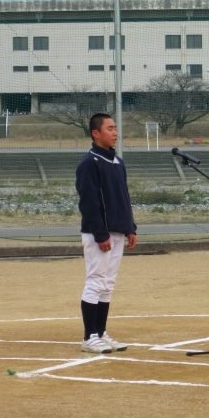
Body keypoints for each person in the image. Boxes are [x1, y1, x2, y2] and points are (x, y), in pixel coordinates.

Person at [75, 113, 137, 354]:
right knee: (96, 281)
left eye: (115, 128)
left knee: (108, 284)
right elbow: (88, 202)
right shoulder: (89, 163)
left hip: (118, 231)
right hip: (98, 234)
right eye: (109, 128)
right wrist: (100, 234)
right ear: (95, 133)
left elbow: (123, 197)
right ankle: (89, 337)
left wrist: (130, 227)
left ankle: (100, 333)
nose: (115, 133)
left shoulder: (118, 162)